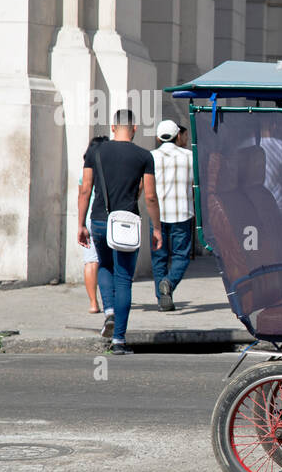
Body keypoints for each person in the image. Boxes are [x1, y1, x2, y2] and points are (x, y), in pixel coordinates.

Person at [77, 110, 161, 354]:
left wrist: (81, 224)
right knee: (124, 277)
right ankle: (119, 341)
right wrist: (156, 228)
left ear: (113, 127)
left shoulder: (95, 152)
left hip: (100, 221)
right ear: (134, 129)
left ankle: (110, 311)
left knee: (104, 265)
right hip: (127, 223)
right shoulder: (144, 156)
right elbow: (150, 196)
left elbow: (85, 190)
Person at [150, 119, 194, 311]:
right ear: (178, 136)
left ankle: (162, 299)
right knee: (181, 256)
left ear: (158, 138)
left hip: (157, 216)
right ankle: (169, 283)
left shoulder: (150, 157)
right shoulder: (190, 157)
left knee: (158, 258)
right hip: (182, 214)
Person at [79, 135, 107, 313]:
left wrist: (80, 223)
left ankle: (93, 303)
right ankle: (109, 302)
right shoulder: (110, 169)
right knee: (108, 262)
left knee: (91, 261)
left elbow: (82, 195)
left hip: (89, 217)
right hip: (106, 217)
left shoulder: (86, 172)